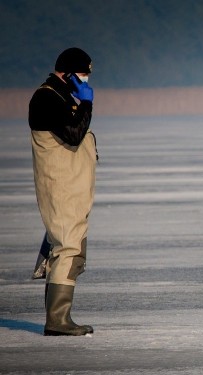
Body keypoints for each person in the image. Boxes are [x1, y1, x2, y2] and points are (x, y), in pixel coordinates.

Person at [28, 47, 98, 336]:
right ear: (67, 73)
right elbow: (72, 134)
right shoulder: (46, 97)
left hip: (72, 189)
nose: (84, 80)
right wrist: (86, 105)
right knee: (68, 246)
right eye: (81, 74)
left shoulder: (60, 96)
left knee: (71, 247)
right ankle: (57, 320)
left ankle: (59, 318)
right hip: (61, 188)